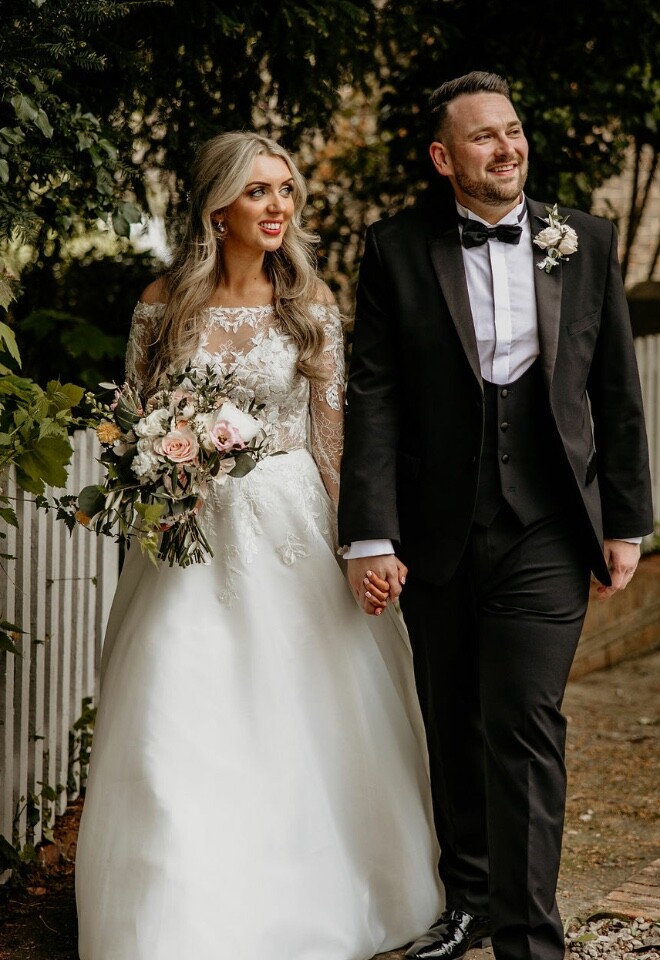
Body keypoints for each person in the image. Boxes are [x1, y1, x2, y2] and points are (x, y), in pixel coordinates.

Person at [75, 131, 444, 960]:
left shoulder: (309, 304)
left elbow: (332, 441)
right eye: (257, 191)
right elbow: (131, 419)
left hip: (291, 527)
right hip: (186, 532)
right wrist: (158, 472)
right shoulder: (162, 301)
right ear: (218, 207)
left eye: (285, 190)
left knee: (303, 708)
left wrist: (361, 545)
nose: (278, 206)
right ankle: (174, 915)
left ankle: (311, 894)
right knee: (178, 704)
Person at [338, 71, 653, 960]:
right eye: (483, 136)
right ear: (443, 158)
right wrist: (371, 534)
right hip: (436, 528)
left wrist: (625, 522)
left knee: (524, 720)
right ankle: (469, 901)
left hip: (547, 525)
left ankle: (528, 939)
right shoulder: (396, 248)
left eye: (512, 130)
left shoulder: (583, 240)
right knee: (454, 720)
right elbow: (375, 395)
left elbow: (616, 390)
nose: (506, 147)